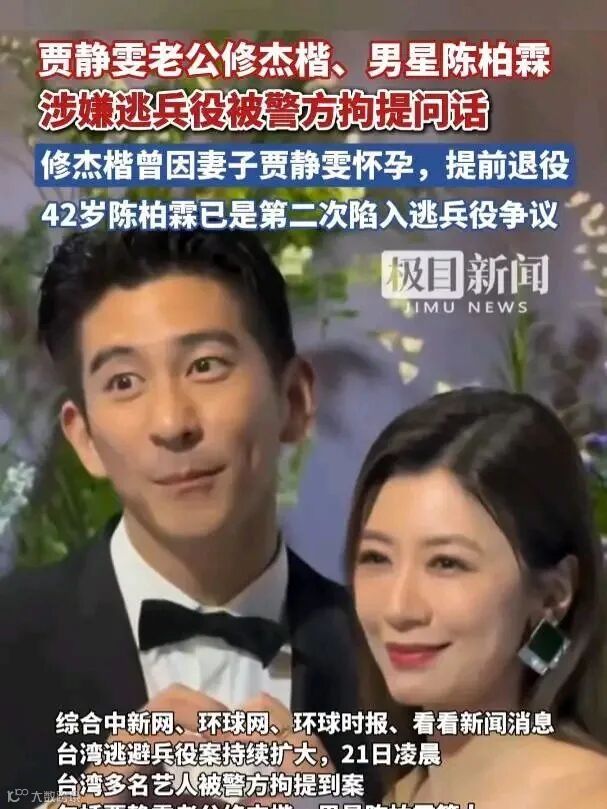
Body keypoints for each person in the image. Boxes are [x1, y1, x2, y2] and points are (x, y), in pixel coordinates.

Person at [0, 228, 374, 808]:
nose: (172, 423)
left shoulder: (394, 656)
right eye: (124, 382)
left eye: (205, 365)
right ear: (85, 438)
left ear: (294, 400)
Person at [345, 388, 607, 809]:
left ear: (553, 594)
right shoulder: (402, 794)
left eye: (447, 563)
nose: (398, 608)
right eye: (376, 558)